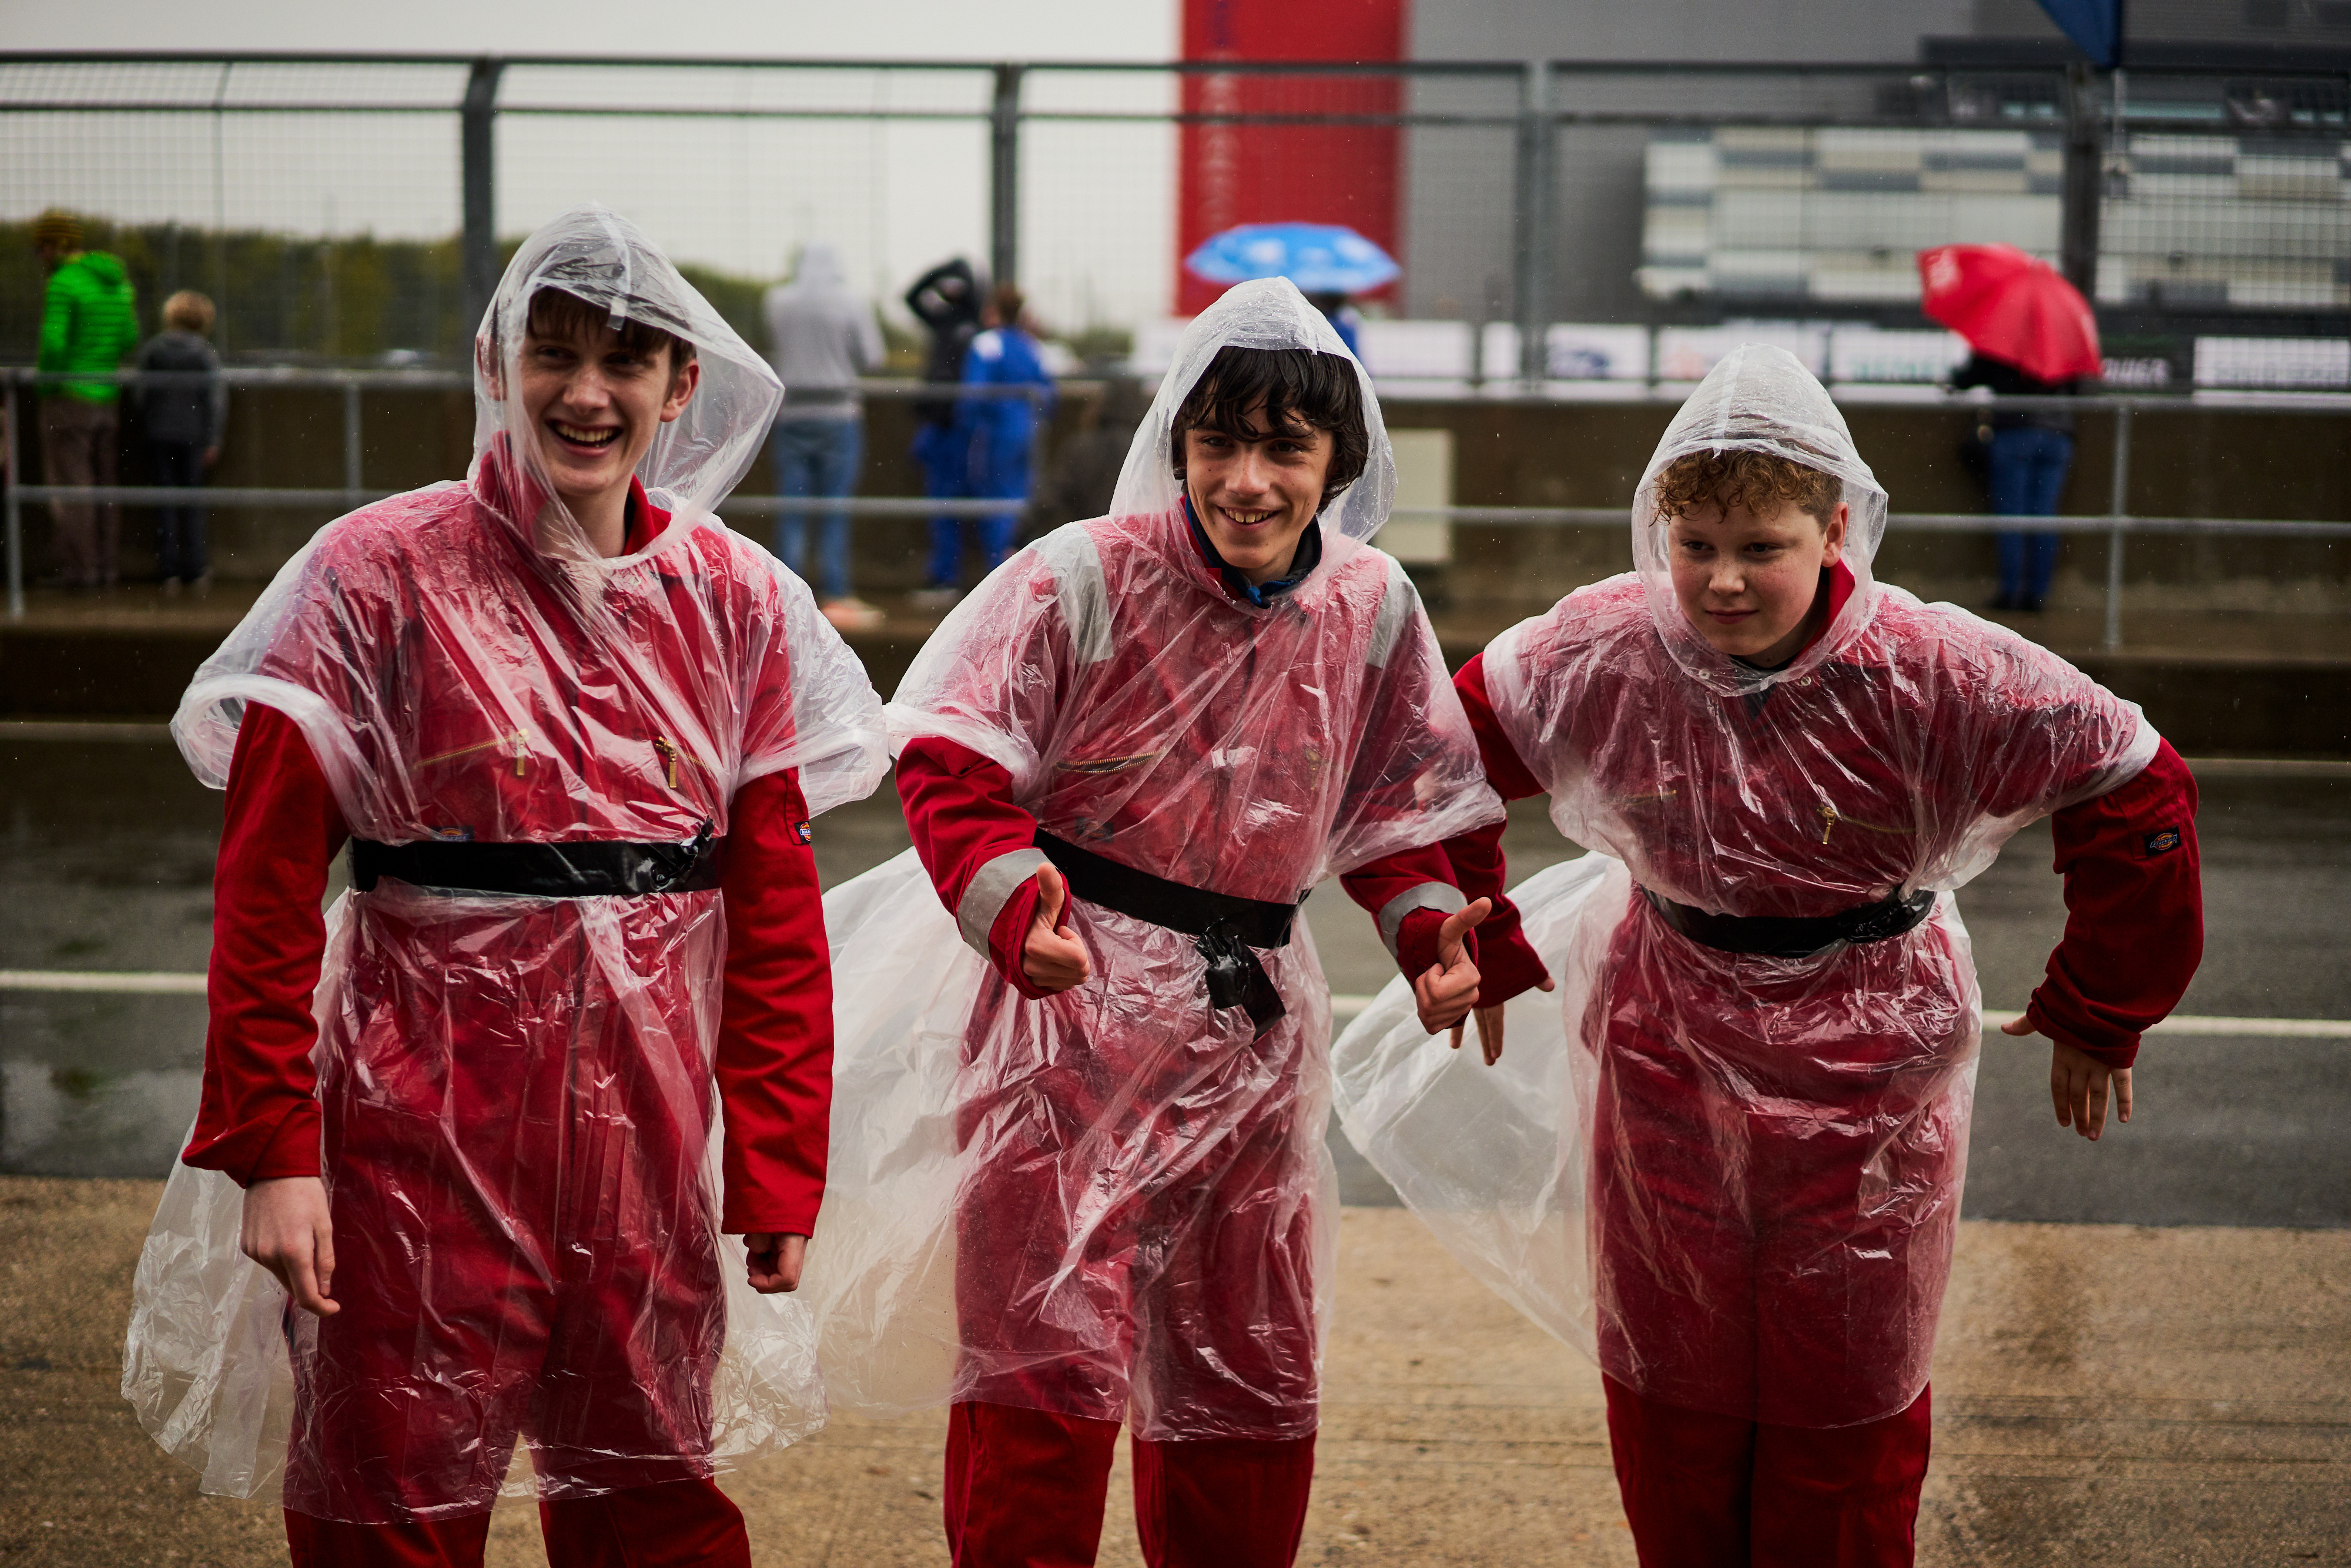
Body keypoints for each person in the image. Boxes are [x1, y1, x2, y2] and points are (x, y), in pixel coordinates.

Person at [1335, 345, 2204, 1568]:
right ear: (1657, 529)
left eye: (1760, 547)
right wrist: (1462, 922)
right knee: (1671, 1382)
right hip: (1662, 1048)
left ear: (1835, 527)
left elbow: (2134, 783)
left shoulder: (1932, 668)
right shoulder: (1604, 646)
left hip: (1872, 1069)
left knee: (1845, 1390)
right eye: (1692, 545)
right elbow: (1428, 763)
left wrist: (2101, 1003)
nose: (1721, 581)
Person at [122, 206, 889, 1568]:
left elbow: (772, 912)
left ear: (678, 386)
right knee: (388, 1497)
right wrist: (273, 1149)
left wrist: (775, 1163)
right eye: (554, 354)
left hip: (643, 1156)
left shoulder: (734, 604)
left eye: (625, 361)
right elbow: (264, 893)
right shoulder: (374, 580)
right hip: (412, 1137)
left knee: (650, 1499)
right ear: (497, 365)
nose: (586, 394)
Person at [803, 277, 1504, 1567]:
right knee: (1039, 1373)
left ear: (1336, 461)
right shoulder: (1080, 576)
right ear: (1174, 447)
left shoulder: (1371, 606)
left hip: (1251, 1031)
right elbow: (952, 754)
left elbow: (1403, 809)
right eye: (1217, 444)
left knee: (1244, 1374)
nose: (1247, 480)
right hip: (1063, 1027)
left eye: (1283, 448)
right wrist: (1015, 901)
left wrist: (1429, 937)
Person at [763, 240, 886, 631]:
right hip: (838, 412)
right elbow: (874, 357)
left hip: (792, 412)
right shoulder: (851, 302)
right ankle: (835, 591)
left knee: (793, 508)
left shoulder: (777, 301)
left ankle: (787, 595)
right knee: (834, 508)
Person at [921, 284, 1056, 602]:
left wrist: (970, 427)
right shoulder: (1029, 345)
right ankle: (1021, 583)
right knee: (1019, 503)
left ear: (992, 310)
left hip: (995, 437)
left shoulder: (986, 343)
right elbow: (1050, 394)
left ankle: (1000, 588)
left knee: (994, 506)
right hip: (1027, 435)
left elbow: (973, 395)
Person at [32, 209, 140, 590]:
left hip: (69, 396)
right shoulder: (118, 283)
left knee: (72, 485)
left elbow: (54, 343)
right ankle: (106, 567)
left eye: (40, 248)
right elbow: (129, 338)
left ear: (53, 246)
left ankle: (81, 571)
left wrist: (47, 385)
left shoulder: (63, 283)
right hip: (106, 395)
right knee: (104, 483)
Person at [1953, 348, 2084, 612]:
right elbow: (2076, 389)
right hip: (2056, 437)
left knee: (2012, 515)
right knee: (2045, 515)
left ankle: (2011, 593)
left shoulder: (2003, 337)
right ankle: (2037, 596)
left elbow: (1968, 379)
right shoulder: (2060, 339)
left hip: (2013, 432)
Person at [133, 289, 228, 592]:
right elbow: (215, 399)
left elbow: (141, 394)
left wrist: (151, 422)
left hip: (160, 434)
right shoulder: (204, 354)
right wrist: (213, 438)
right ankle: (197, 567)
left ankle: (169, 569)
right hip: (194, 436)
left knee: (165, 502)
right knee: (193, 502)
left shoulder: (154, 351)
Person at [905, 257, 985, 611]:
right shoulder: (943, 320)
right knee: (939, 503)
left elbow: (979, 297)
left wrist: (965, 275)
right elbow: (912, 297)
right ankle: (941, 576)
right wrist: (942, 271)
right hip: (935, 426)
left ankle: (948, 578)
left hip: (960, 429)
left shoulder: (976, 325)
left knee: (954, 504)